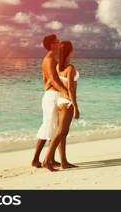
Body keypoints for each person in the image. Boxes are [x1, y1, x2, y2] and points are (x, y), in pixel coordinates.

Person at [31, 34, 68, 168]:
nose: (59, 43)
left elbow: (45, 80)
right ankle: (35, 159)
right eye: (57, 42)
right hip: (52, 96)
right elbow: (52, 79)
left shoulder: (51, 58)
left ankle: (51, 159)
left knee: (53, 127)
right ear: (52, 45)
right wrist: (65, 90)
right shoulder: (50, 59)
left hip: (51, 94)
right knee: (48, 126)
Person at [42, 40, 80, 171]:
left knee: (62, 133)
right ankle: (47, 160)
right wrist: (75, 106)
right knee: (61, 132)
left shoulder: (58, 66)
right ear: (71, 52)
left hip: (59, 101)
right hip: (67, 102)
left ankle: (63, 161)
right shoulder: (70, 68)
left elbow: (48, 82)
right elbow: (71, 89)